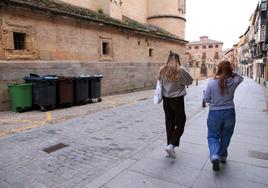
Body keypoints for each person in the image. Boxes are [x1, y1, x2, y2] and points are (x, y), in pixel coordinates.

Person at [203, 60, 243, 171]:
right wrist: (230, 73)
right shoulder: (233, 82)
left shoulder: (211, 83)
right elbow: (240, 77)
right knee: (226, 136)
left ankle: (215, 155)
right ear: (230, 70)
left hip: (214, 113)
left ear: (218, 69)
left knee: (213, 136)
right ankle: (223, 156)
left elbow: (206, 99)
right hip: (229, 112)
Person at [158, 51, 193, 158]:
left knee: (169, 123)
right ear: (178, 60)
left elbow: (160, 84)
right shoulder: (180, 70)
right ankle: (171, 145)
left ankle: (170, 145)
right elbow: (189, 81)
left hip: (166, 101)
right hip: (177, 100)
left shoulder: (162, 69)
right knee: (181, 123)